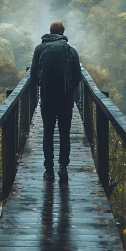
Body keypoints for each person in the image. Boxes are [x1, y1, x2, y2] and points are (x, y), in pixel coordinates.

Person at [30, 21, 82, 182]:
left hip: (47, 98)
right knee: (64, 133)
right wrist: (69, 89)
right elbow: (78, 75)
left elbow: (33, 74)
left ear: (50, 31)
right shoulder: (70, 50)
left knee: (48, 132)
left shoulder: (40, 49)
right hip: (65, 100)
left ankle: (49, 170)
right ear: (63, 32)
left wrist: (44, 87)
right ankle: (63, 168)